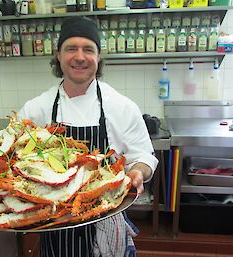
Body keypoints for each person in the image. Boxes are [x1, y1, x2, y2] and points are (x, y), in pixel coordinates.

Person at [18, 16, 158, 257]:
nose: (80, 57)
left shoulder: (122, 106)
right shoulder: (36, 109)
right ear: (58, 55)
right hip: (56, 226)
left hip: (107, 218)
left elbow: (143, 156)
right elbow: (15, 159)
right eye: (71, 48)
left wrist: (138, 172)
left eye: (88, 49)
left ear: (98, 57)